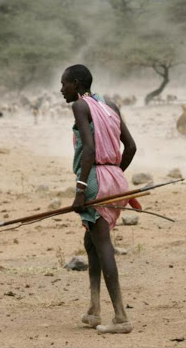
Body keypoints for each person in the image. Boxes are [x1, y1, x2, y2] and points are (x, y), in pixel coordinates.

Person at [60, 64, 137, 334]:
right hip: (115, 179)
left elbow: (90, 148)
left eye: (64, 84)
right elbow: (131, 146)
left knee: (102, 244)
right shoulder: (111, 105)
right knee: (90, 240)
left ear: (77, 84)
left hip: (96, 179)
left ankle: (121, 317)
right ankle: (94, 308)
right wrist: (114, 175)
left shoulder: (80, 107)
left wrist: (83, 189)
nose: (61, 90)